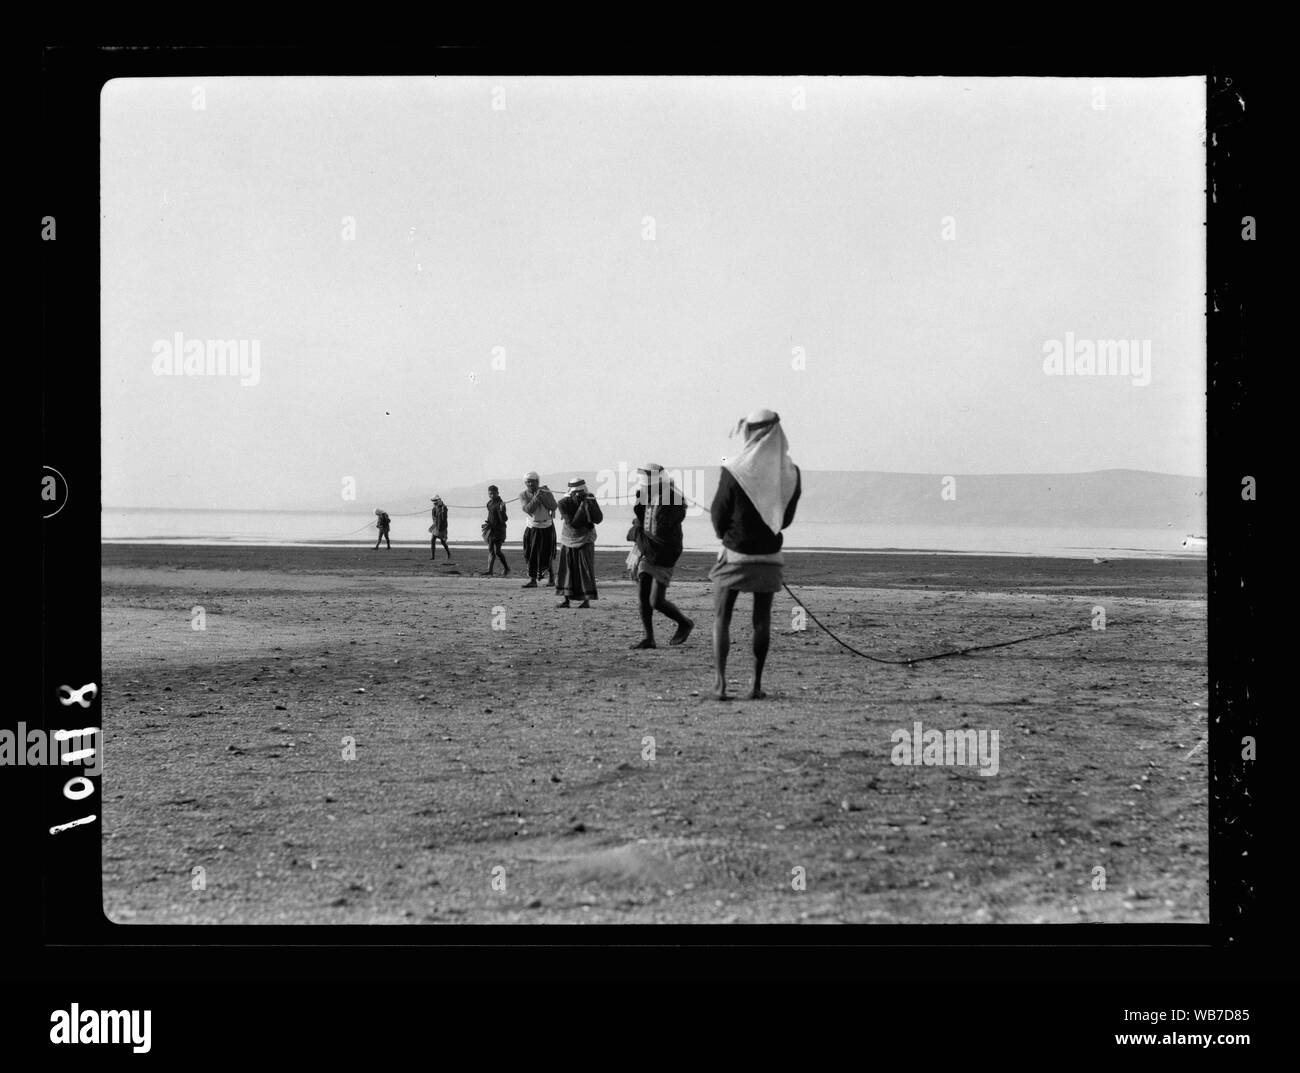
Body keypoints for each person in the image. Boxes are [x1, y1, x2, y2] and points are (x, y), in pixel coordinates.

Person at [708, 409, 801, 699]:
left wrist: (726, 535)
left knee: (722, 617)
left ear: (751, 432)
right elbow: (784, 520)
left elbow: (718, 515)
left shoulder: (734, 469)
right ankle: (755, 686)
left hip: (735, 554)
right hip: (770, 556)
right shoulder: (791, 473)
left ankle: (721, 685)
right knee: (762, 620)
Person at [628, 463, 694, 649]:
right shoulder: (648, 495)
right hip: (647, 549)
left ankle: (685, 623)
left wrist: (636, 531)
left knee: (656, 600)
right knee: (643, 595)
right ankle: (649, 638)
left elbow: (661, 530)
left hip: (664, 552)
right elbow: (643, 520)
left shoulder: (674, 500)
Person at [555, 478, 603, 608]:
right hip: (568, 539)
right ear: (570, 492)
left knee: (585, 569)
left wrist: (590, 504)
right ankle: (566, 600)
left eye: (581, 492)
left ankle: (586, 600)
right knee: (567, 570)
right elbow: (573, 523)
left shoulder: (590, 499)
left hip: (586, 538)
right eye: (575, 492)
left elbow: (598, 518)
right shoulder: (562, 503)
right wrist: (583, 507)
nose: (578, 494)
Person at [518, 471, 558, 587]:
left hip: (547, 526)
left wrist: (544, 495)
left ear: (537, 482)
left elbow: (553, 506)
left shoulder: (546, 492)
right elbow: (528, 509)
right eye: (528, 482)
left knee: (547, 553)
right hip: (532, 527)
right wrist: (537, 496)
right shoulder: (523, 495)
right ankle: (533, 580)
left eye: (533, 481)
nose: (531, 484)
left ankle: (551, 578)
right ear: (525, 483)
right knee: (531, 554)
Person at [481, 485, 511, 576]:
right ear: (488, 494)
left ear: (498, 493)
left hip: (499, 530)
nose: (492, 495)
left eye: (494, 493)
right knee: (491, 551)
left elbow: (504, 519)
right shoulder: (489, 503)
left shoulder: (501, 504)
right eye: (490, 494)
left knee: (497, 551)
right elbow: (490, 516)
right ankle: (490, 571)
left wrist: (502, 510)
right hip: (491, 530)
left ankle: (506, 568)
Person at [429, 496, 451, 561]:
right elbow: (434, 517)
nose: (434, 503)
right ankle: (433, 557)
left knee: (442, 541)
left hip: (442, 527)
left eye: (435, 502)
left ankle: (449, 553)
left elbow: (444, 518)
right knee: (432, 540)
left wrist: (442, 510)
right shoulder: (435, 508)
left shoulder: (444, 507)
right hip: (436, 526)